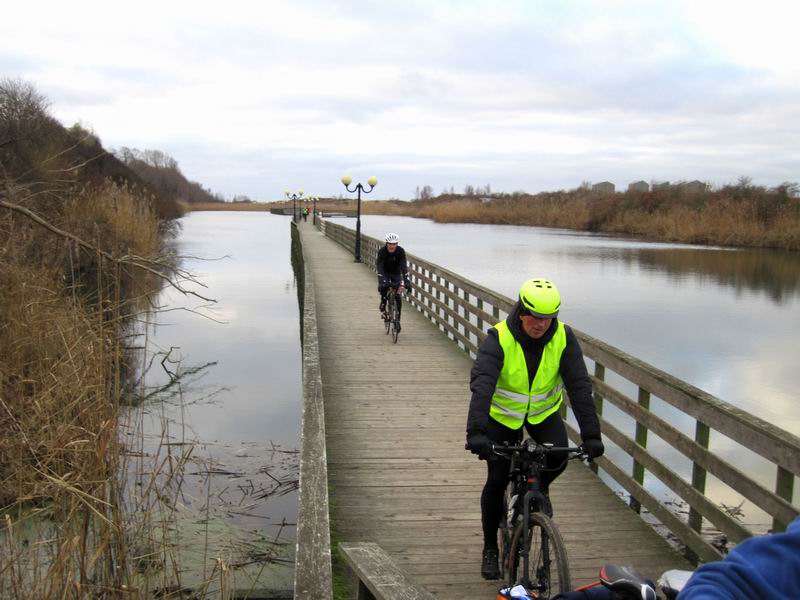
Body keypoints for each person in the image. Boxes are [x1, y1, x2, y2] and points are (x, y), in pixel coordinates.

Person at [465, 277, 605, 580]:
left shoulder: (564, 339)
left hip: (542, 413)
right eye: (535, 317)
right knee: (498, 477)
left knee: (558, 458)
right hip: (501, 416)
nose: (541, 324)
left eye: (548, 318)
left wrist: (591, 435)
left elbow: (579, 386)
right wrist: (476, 432)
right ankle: (491, 547)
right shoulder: (499, 338)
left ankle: (537, 493)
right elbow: (483, 384)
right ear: (521, 310)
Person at [375, 232, 411, 331]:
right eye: (390, 244)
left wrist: (407, 281)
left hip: (396, 273)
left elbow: (404, 266)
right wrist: (382, 280)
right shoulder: (382, 251)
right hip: (384, 272)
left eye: (394, 244)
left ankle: (397, 321)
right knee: (383, 286)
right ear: (386, 244)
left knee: (398, 296)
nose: (392, 246)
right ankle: (383, 301)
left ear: (397, 244)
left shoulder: (400, 251)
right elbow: (380, 266)